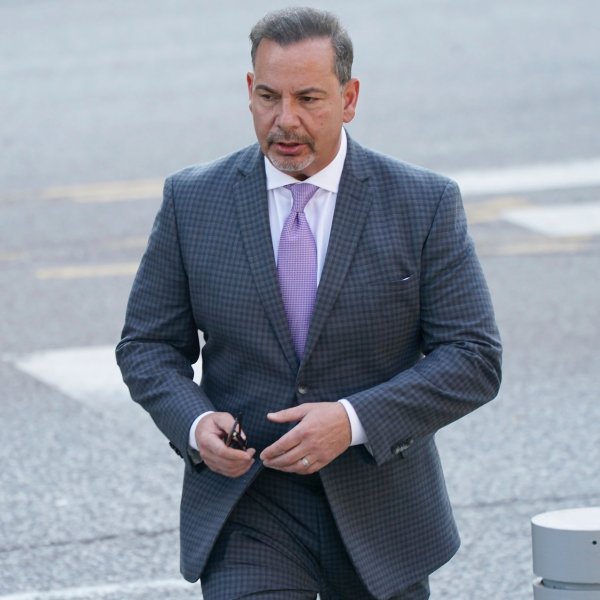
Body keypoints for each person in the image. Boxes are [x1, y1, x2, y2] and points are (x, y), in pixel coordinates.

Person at [116, 7, 502, 600]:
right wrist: (193, 423)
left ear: (349, 99)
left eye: (309, 99)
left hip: (382, 513)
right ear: (249, 91)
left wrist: (350, 422)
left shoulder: (423, 204)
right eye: (269, 96)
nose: (285, 120)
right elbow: (146, 346)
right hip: (250, 506)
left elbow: (473, 358)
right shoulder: (193, 201)